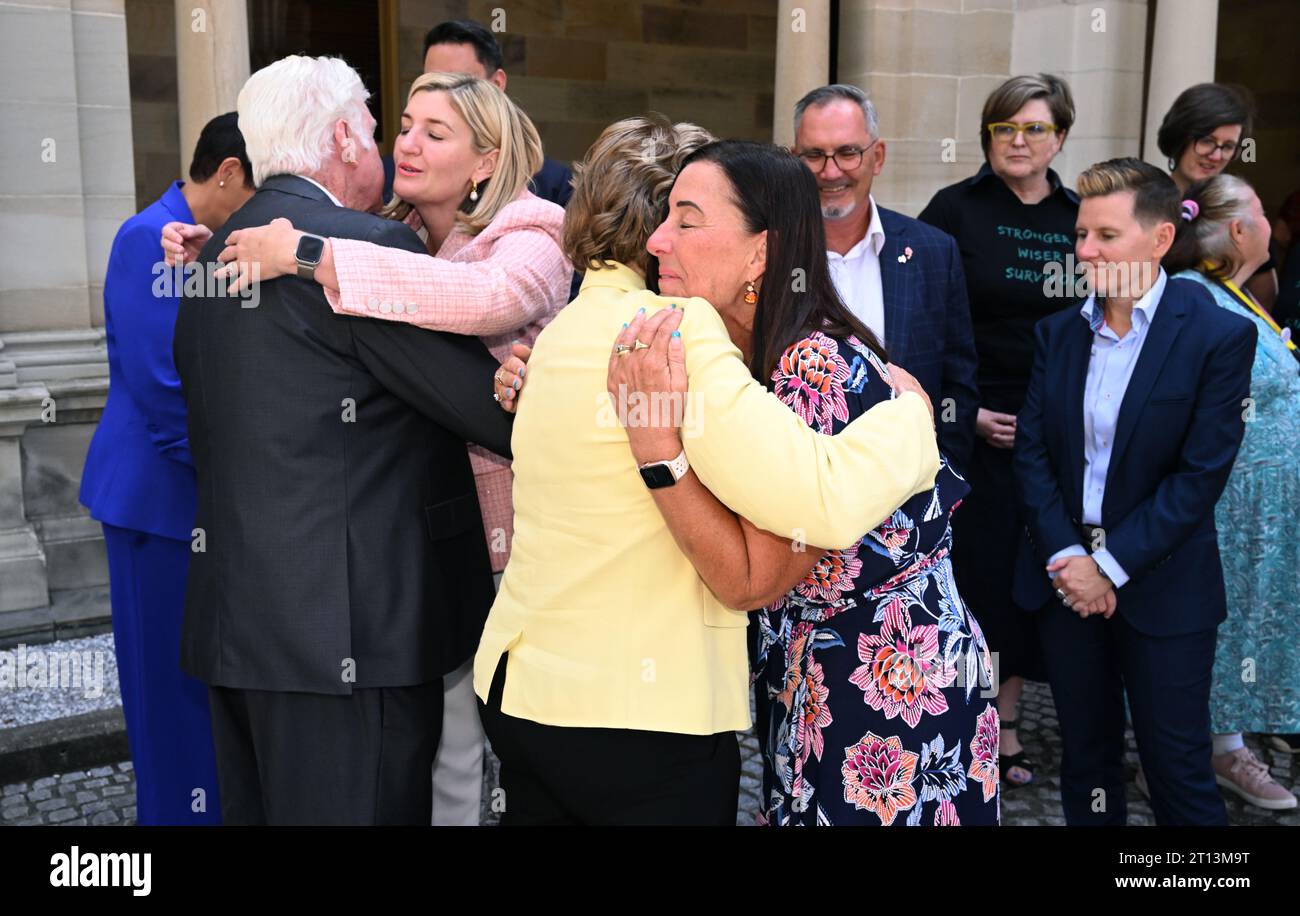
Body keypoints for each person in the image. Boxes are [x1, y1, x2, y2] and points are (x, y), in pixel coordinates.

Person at [474, 116, 943, 825]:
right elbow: (817, 497)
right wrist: (913, 418)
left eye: (688, 221)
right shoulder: (672, 332)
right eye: (673, 215)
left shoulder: (566, 327)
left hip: (521, 693)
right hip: (636, 720)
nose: (669, 237)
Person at [190, 71, 570, 827]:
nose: (398, 145)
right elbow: (486, 414)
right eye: (386, 125)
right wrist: (522, 384)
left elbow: (486, 298)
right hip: (349, 636)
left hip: (237, 626)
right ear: (341, 139)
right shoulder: (372, 242)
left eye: (432, 132)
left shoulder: (214, 253)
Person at [608, 140, 999, 826]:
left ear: (761, 253)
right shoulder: (743, 354)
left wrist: (655, 448)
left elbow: (752, 577)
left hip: (885, 689)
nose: (658, 239)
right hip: (824, 675)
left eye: (688, 220)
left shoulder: (810, 367)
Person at [1013, 157, 1256, 826]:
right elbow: (1032, 453)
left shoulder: (1216, 336)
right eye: (1081, 234)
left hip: (1165, 583)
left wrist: (1110, 566)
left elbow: (1200, 476)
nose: (1086, 250)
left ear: (1159, 240)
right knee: (1085, 761)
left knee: (1176, 766)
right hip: (1066, 581)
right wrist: (1069, 558)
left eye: (1106, 236)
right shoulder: (1059, 333)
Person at [78, 112, 254, 826]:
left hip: (190, 500)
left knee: (198, 695)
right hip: (158, 504)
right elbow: (162, 387)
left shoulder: (201, 241)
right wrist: (236, 480)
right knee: (166, 694)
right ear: (230, 173)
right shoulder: (147, 237)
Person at [919, 73, 1080, 790]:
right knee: (975, 576)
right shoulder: (955, 210)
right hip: (972, 416)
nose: (1018, 141)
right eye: (1004, 128)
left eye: (1034, 128)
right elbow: (929, 322)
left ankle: (1006, 721)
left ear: (1061, 137)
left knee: (1030, 577)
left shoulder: (1079, 216)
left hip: (1055, 422)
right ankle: (968, 720)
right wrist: (966, 411)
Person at [1164, 174, 1300, 809]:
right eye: (1263, 212)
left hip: (1262, 509)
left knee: (1248, 625)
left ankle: (1213, 746)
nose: (1272, 222)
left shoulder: (1235, 295)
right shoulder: (1197, 299)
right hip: (1227, 506)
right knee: (1225, 627)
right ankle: (1211, 752)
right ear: (1242, 230)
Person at [791, 84, 978, 470]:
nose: (831, 171)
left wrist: (942, 474)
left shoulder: (933, 252)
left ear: (877, 156)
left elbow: (957, 383)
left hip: (908, 488)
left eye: (848, 152)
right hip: (795, 491)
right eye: (814, 155)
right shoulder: (768, 250)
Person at [419, 19, 572, 208]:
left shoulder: (552, 186)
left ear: (497, 83)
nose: (441, 95)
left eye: (460, 83)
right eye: (432, 83)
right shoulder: (396, 177)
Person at [1156, 82, 1276, 310]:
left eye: (1228, 146)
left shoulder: (1244, 209)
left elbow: (1264, 300)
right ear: (1179, 136)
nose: (1216, 155)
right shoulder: (1142, 203)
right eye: (1207, 141)